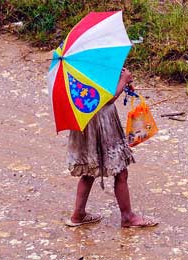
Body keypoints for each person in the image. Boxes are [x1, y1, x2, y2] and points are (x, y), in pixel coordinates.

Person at [64, 68, 158, 228]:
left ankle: (78, 214)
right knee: (121, 171)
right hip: (101, 124)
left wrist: (122, 84)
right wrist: (123, 81)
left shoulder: (73, 71)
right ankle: (127, 216)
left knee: (89, 169)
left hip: (86, 122)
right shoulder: (88, 67)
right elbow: (106, 99)